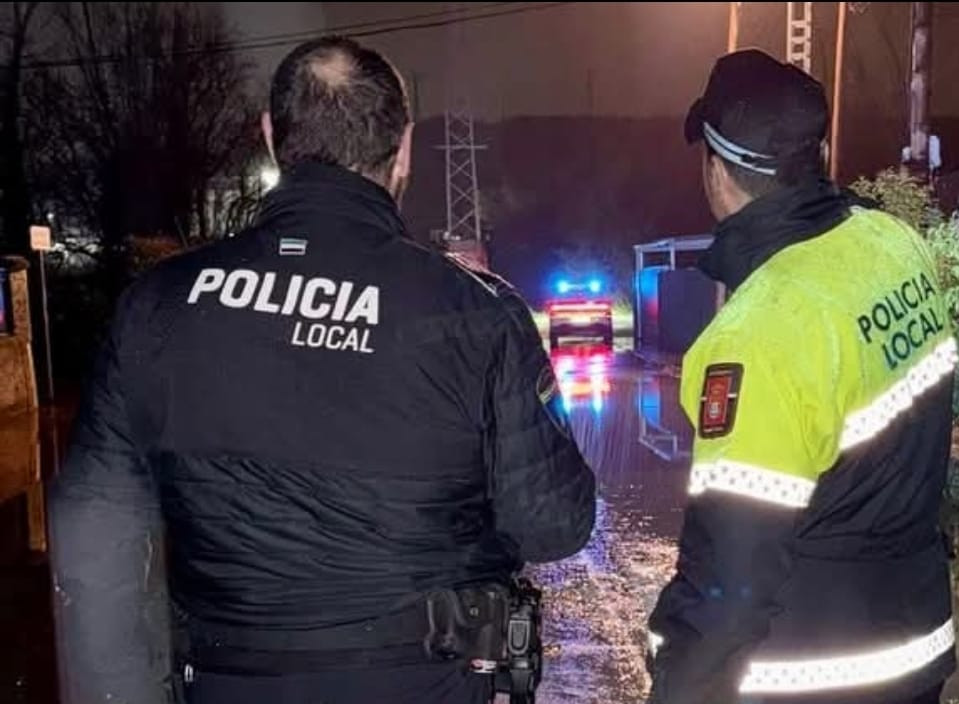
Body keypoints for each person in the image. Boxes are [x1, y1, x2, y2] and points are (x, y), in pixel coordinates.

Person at [48, 37, 596, 704]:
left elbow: (92, 527)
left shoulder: (155, 306)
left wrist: (117, 692)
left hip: (227, 684)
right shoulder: (475, 312)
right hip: (427, 681)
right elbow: (554, 523)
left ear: (272, 136)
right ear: (403, 150)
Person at [646, 49, 957, 704]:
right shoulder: (891, 242)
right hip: (915, 651)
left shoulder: (756, 334)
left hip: (809, 677)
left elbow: (732, 581)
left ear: (715, 167)